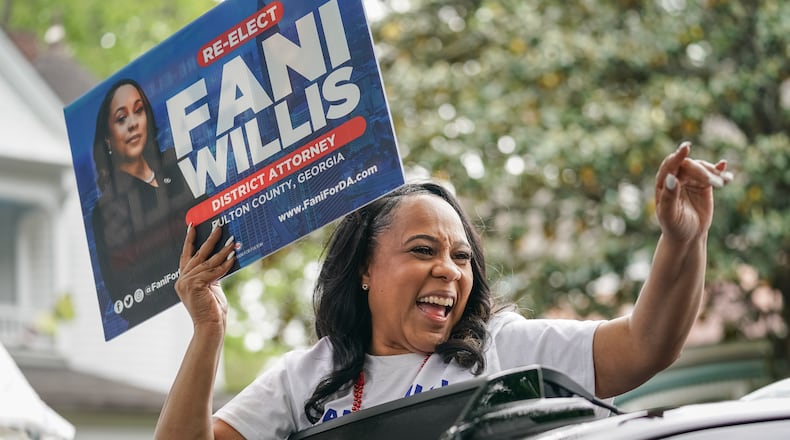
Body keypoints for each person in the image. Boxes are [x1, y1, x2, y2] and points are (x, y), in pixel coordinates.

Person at [154, 141, 733, 439]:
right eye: (423, 251)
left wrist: (683, 242)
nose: (450, 271)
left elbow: (644, 346)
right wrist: (209, 328)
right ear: (365, 270)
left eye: (462, 257)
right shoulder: (305, 377)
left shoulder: (504, 347)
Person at [91, 78, 194, 328]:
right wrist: (183, 288)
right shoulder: (106, 211)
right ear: (107, 138)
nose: (133, 123)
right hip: (166, 326)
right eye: (121, 118)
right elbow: (126, 296)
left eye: (139, 111)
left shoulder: (177, 169)